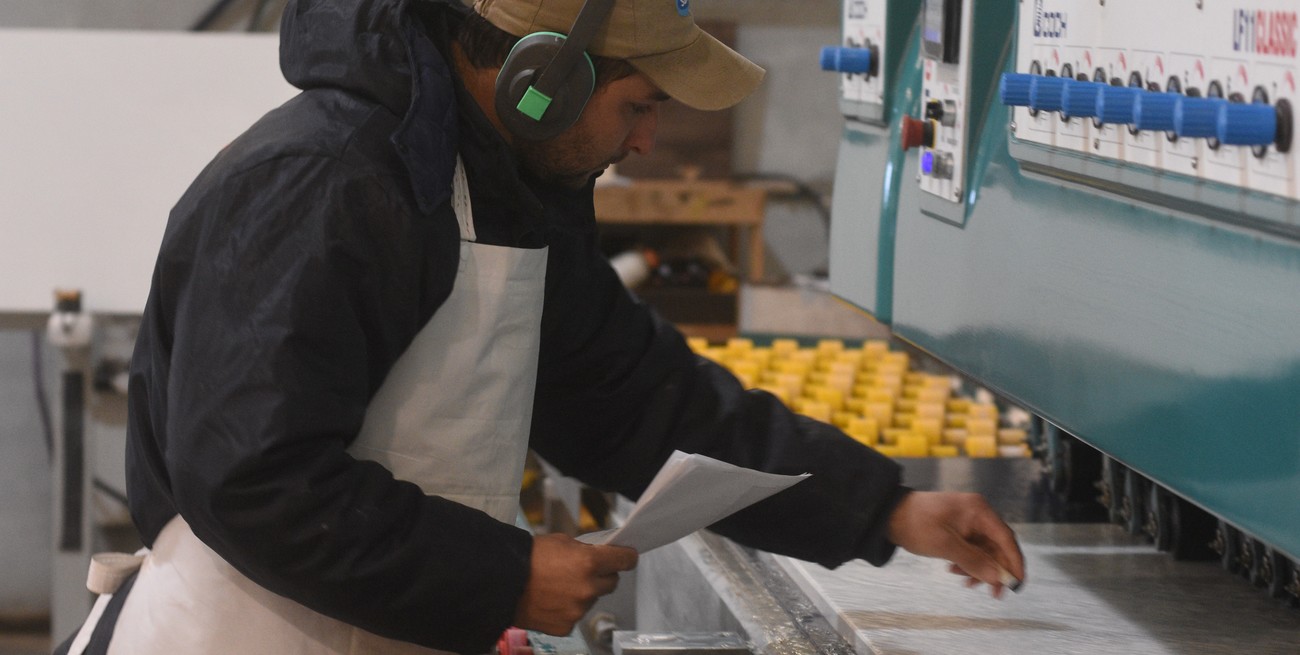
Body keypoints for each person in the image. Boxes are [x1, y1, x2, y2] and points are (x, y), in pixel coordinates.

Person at [56, 0, 1025, 653]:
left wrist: (883, 509)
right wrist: (501, 574)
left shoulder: (503, 185)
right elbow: (254, 478)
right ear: (544, 74)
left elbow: (634, 399)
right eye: (637, 105)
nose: (647, 139)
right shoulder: (329, 184)